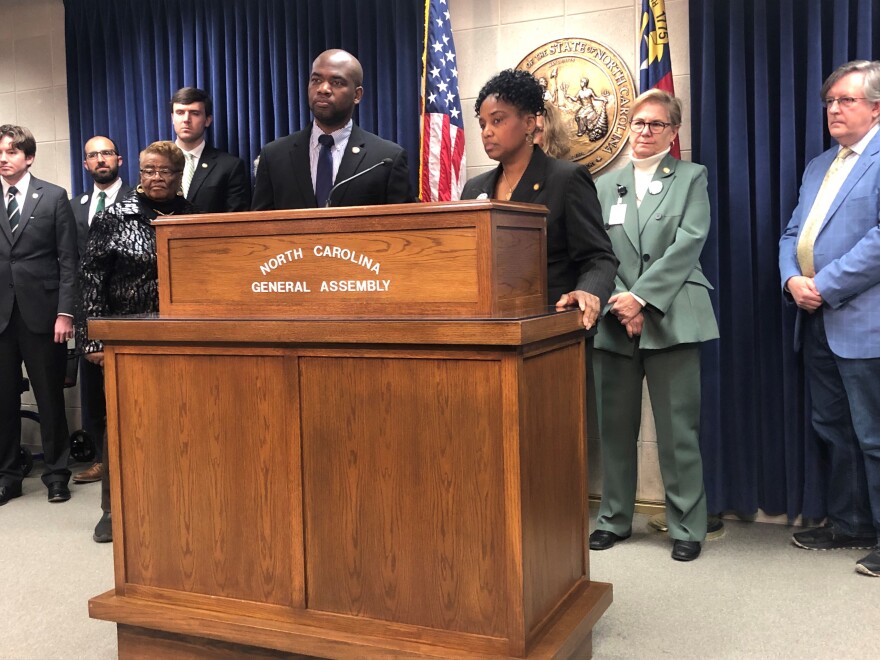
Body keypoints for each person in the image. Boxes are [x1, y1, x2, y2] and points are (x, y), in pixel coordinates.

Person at [588, 90, 719, 562]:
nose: (644, 132)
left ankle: (687, 524)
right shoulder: (603, 185)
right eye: (639, 123)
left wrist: (641, 297)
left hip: (674, 315)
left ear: (673, 132)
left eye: (655, 125)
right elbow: (595, 249)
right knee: (615, 427)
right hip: (613, 317)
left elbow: (690, 241)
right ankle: (614, 518)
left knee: (678, 429)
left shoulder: (690, 177)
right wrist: (623, 300)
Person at [779, 60, 880, 577]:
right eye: (830, 102)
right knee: (834, 428)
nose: (834, 109)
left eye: (846, 100)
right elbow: (791, 233)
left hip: (864, 321)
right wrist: (791, 280)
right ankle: (851, 523)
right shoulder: (820, 165)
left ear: (876, 107)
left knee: (875, 435)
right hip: (815, 318)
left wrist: (826, 285)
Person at [77, 141, 195, 542]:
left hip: (184, 339)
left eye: (164, 171)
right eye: (148, 171)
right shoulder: (113, 217)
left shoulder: (194, 217)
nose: (156, 177)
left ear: (179, 177)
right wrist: (92, 340)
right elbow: (91, 278)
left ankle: (175, 502)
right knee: (124, 426)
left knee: (177, 424)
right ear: (139, 174)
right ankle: (113, 509)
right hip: (127, 338)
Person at [0, 124, 77, 505]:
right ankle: (8, 475)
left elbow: (67, 260)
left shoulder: (54, 197)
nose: (3, 158)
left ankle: (57, 474)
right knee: (2, 400)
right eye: (0, 152)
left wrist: (66, 313)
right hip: (0, 316)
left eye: (11, 151)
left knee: (49, 397)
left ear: (28, 157)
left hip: (44, 315)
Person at [252, 49, 414, 210]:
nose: (323, 89)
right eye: (316, 80)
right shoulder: (274, 156)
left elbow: (402, 226)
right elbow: (258, 227)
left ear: (357, 95)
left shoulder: (386, 159)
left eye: (336, 82)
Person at [70, 136, 131, 489]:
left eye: (106, 153)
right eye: (92, 155)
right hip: (88, 309)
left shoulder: (135, 199)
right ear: (86, 165)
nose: (100, 160)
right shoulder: (75, 205)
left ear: (119, 159)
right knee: (93, 393)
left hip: (127, 307)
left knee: (124, 389)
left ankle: (128, 459)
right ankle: (100, 461)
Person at [171, 87, 250, 213]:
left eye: (195, 113)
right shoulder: (155, 162)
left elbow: (236, 219)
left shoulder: (230, 166)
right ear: (172, 118)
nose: (186, 119)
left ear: (207, 120)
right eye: (180, 113)